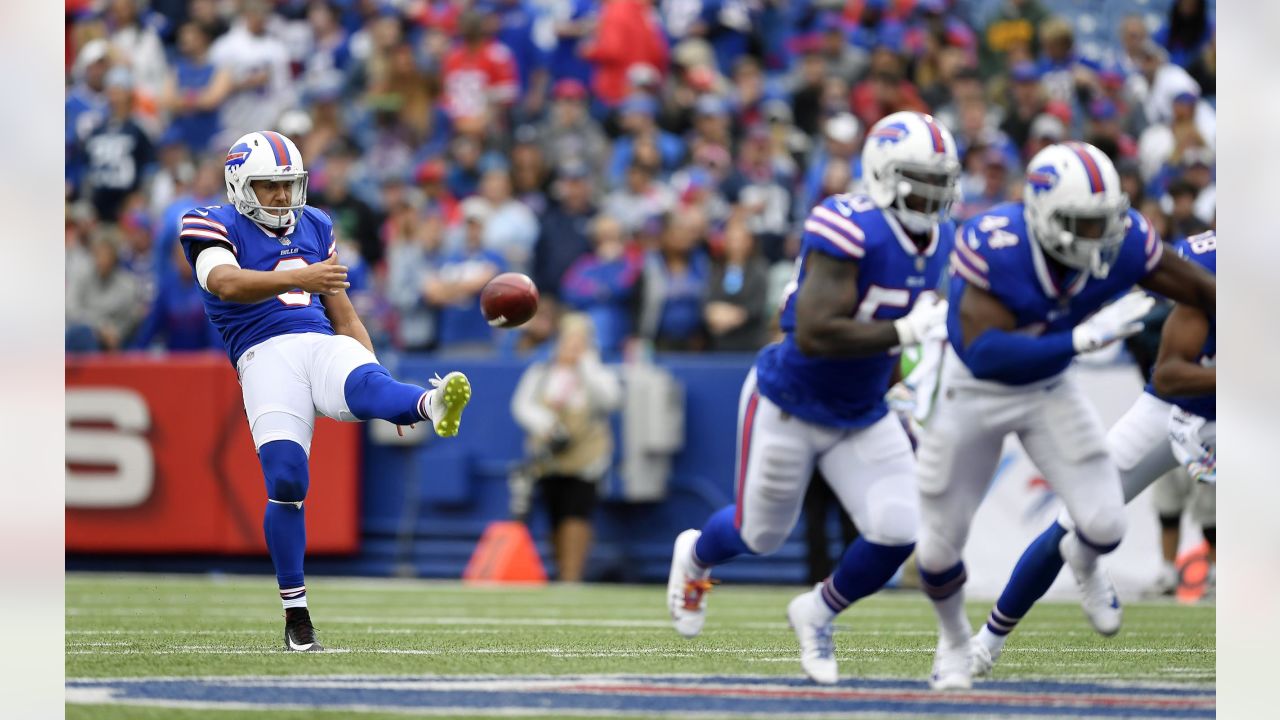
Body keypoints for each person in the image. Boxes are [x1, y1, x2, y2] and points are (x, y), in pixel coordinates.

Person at [665, 111, 959, 685]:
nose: (930, 194)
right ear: (881, 171)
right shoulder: (847, 225)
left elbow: (916, 326)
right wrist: (905, 334)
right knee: (761, 535)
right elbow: (817, 331)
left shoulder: (940, 237)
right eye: (917, 178)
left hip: (863, 408)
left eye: (938, 180)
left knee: (900, 530)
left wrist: (904, 377)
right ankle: (697, 556)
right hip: (790, 399)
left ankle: (818, 612)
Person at [915, 142, 1215, 690]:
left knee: (1099, 522)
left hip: (1053, 384)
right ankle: (973, 644)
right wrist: (1080, 338)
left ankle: (1085, 560)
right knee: (942, 542)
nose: (1101, 237)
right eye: (1084, 222)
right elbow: (984, 352)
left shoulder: (1124, 241)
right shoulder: (996, 244)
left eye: (1108, 222)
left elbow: (1209, 293)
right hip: (980, 387)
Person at [179, 131, 474, 652]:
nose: (281, 197)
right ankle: (297, 615)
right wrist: (308, 275)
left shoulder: (315, 224)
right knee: (288, 480)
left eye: (289, 185)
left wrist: (377, 376)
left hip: (317, 342)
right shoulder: (209, 221)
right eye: (269, 186)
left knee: (365, 378)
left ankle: (426, 403)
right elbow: (224, 282)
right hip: (263, 354)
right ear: (240, 184)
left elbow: (345, 316)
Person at [970, 228, 1216, 676]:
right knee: (1073, 522)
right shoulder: (1214, 265)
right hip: (1176, 410)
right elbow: (1170, 375)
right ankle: (986, 642)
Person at [511, 314, 623, 582]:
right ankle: (561, 568)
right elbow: (522, 405)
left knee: (578, 511)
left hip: (586, 454)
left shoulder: (596, 373)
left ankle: (572, 573)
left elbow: (612, 399)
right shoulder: (541, 372)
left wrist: (586, 365)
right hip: (550, 455)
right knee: (554, 511)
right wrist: (546, 425)